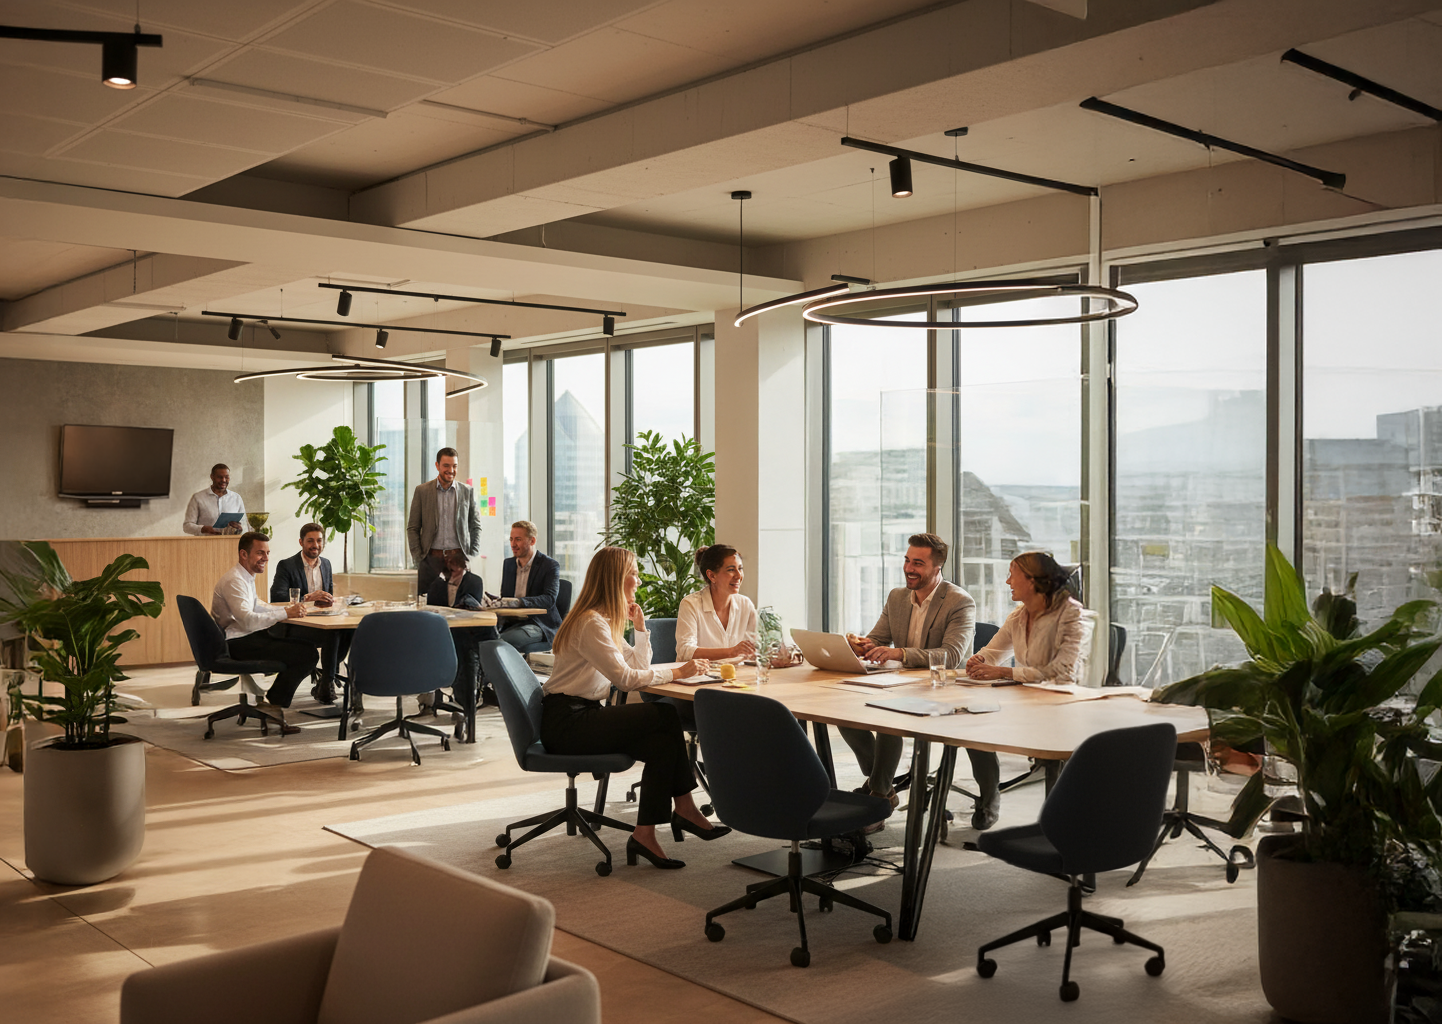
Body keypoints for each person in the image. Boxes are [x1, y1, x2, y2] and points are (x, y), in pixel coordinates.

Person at [541, 546, 725, 869]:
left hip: (583, 715)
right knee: (665, 714)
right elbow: (627, 680)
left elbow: (638, 665)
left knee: (660, 743)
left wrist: (640, 629)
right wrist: (679, 671)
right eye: (634, 575)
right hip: (567, 722)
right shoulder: (591, 624)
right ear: (616, 580)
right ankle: (685, 808)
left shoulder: (604, 621)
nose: (638, 582)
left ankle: (645, 834)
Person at [840, 533, 978, 832]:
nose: (909, 569)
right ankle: (885, 786)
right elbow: (878, 639)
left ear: (937, 567)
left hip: (943, 688)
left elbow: (951, 656)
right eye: (906, 560)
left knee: (891, 715)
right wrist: (861, 645)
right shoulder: (897, 596)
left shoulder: (959, 601)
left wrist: (899, 653)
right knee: (842, 712)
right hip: (900, 682)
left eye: (918, 563)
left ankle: (878, 795)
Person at [965, 551, 1091, 828]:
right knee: (968, 723)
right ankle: (988, 798)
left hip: (1064, 705)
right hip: (1026, 699)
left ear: (1032, 581)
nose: (1007, 581)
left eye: (1012, 575)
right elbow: (993, 653)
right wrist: (980, 660)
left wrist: (1006, 672)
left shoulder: (1072, 615)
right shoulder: (1019, 615)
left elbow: (1062, 672)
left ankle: (1059, 820)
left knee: (977, 720)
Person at [210, 532, 317, 714]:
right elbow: (249, 622)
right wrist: (285, 613)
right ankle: (274, 704)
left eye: (267, 553)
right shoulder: (235, 580)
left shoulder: (245, 576)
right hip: (238, 642)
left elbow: (258, 606)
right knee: (307, 654)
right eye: (260, 553)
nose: (266, 558)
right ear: (244, 554)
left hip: (244, 636)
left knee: (302, 644)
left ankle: (272, 701)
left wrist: (288, 611)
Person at [269, 523, 346, 704]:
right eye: (310, 541)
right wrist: (308, 597)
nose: (315, 545)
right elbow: (276, 597)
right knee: (332, 634)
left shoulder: (325, 564)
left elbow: (330, 595)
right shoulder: (287, 565)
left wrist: (330, 600)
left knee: (347, 631)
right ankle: (327, 684)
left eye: (319, 541)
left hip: (322, 621)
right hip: (296, 625)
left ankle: (327, 677)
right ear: (301, 542)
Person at [426, 549, 498, 732]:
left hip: (467, 632)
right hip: (442, 634)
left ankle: (464, 704)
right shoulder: (437, 585)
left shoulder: (473, 582)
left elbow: (468, 610)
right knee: (459, 649)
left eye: (458, 568)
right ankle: (461, 702)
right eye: (451, 569)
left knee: (464, 650)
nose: (455, 573)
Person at [406, 447, 482, 596]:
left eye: (454, 466)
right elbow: (413, 528)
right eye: (446, 465)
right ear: (437, 466)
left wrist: (471, 554)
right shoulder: (422, 491)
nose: (451, 470)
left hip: (459, 560)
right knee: (428, 612)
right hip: (431, 561)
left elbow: (476, 526)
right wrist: (419, 558)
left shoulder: (467, 492)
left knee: (461, 609)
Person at [496, 520, 562, 650]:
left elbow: (549, 599)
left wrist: (519, 602)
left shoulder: (549, 565)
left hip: (539, 623)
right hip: (512, 621)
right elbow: (506, 596)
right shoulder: (508, 564)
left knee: (501, 642)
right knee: (480, 638)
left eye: (518, 539)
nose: (513, 544)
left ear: (532, 541)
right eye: (511, 539)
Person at [183, 464, 246, 536]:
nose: (224, 480)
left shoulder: (236, 498)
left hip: (230, 544)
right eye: (220, 477)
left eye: (226, 477)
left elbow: (245, 525)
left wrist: (240, 528)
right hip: (205, 544)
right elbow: (187, 526)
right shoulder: (198, 498)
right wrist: (203, 529)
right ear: (212, 477)